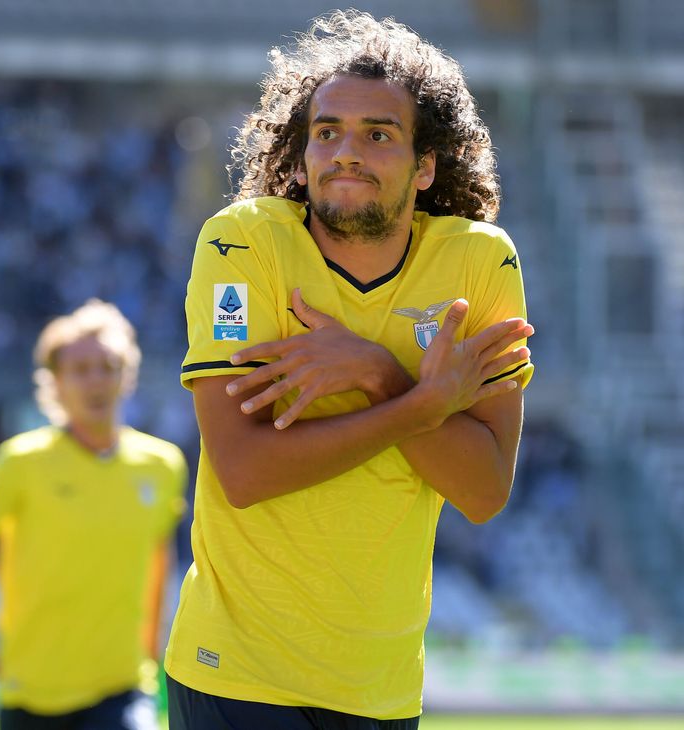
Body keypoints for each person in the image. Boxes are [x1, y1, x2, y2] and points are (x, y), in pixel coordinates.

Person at [165, 10, 534, 730]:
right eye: (326, 132)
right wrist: (419, 404)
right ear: (299, 158)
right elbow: (243, 472)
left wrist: (375, 372)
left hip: (381, 687)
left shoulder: (482, 261)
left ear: (427, 166)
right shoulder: (243, 244)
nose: (345, 151)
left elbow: (485, 490)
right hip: (233, 673)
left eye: (378, 134)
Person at [0, 299, 187, 730]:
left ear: (127, 376)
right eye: (81, 369)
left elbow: (159, 553)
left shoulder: (163, 465)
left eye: (109, 367)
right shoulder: (19, 462)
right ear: (54, 383)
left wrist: (153, 642)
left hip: (122, 686)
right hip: (30, 693)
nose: (97, 381)